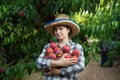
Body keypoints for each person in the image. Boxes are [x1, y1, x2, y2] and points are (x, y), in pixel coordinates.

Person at [36, 14, 85, 80]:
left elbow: (80, 66)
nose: (57, 32)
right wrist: (58, 63)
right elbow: (38, 62)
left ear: (68, 30)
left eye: (61, 29)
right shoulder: (49, 46)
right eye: (55, 29)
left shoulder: (76, 47)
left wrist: (58, 71)